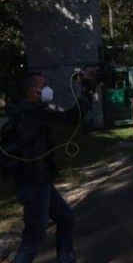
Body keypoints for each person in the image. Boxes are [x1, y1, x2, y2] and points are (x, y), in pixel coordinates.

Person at [5, 71, 95, 263]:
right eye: (43, 85)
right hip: (33, 183)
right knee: (34, 238)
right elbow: (71, 118)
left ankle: (66, 259)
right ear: (32, 91)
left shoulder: (26, 109)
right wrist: (86, 94)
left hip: (39, 180)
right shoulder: (30, 113)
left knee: (66, 218)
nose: (47, 88)